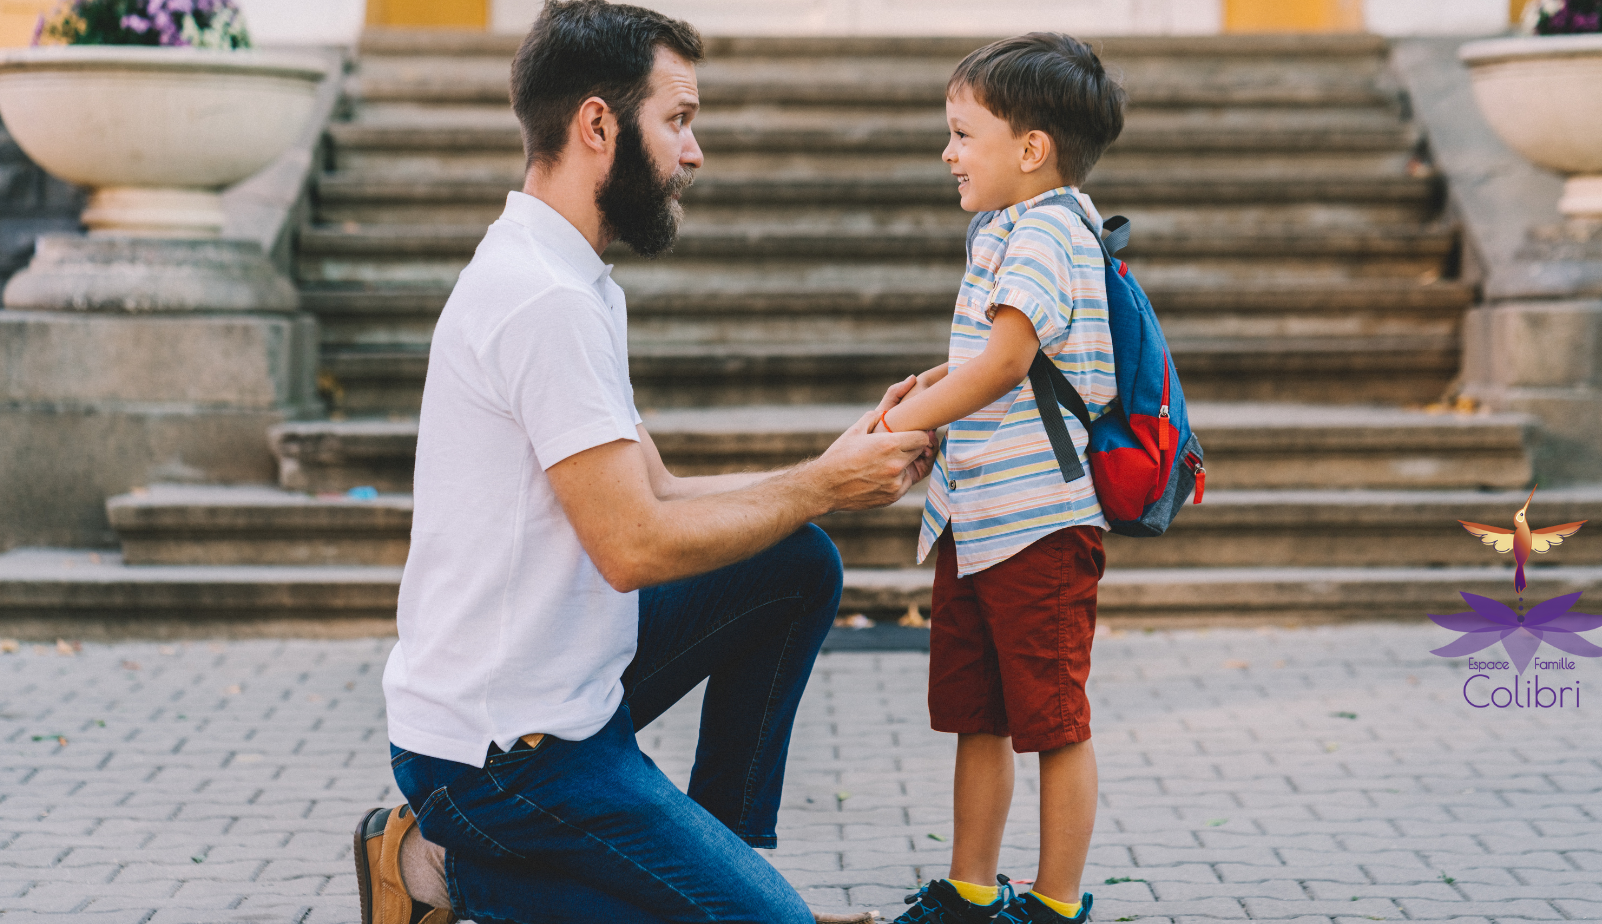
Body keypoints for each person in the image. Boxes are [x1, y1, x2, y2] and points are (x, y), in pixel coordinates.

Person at [349, 3, 937, 923]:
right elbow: (634, 547)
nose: (693, 152)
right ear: (597, 124)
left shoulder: (570, 276)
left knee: (796, 560)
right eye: (679, 120)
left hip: (563, 691)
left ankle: (713, 862)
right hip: (500, 756)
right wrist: (819, 485)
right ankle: (432, 866)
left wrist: (829, 471)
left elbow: (654, 493)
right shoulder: (543, 301)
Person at [874, 34, 1126, 924]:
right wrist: (918, 395)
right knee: (978, 714)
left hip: (1039, 525)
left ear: (1031, 149)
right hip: (976, 519)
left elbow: (1008, 362)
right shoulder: (1008, 229)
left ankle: (1056, 904)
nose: (947, 152)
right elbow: (980, 362)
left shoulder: (1053, 228)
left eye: (961, 133)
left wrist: (904, 424)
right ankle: (972, 889)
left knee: (1054, 720)